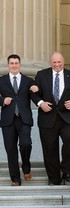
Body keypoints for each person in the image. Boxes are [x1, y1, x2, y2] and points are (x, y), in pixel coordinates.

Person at [34, 52, 70, 185]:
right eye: (54, 62)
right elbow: (33, 93)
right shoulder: (41, 75)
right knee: (49, 148)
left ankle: (67, 172)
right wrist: (41, 103)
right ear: (50, 62)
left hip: (67, 118)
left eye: (59, 62)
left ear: (63, 61)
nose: (57, 65)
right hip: (47, 117)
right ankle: (54, 178)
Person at [0, 54, 38, 186]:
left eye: (16, 63)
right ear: (8, 65)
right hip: (7, 120)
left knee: (25, 144)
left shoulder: (28, 81)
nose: (14, 65)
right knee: (11, 149)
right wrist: (2, 100)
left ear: (20, 65)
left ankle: (26, 166)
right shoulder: (2, 80)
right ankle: (15, 178)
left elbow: (36, 90)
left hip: (24, 119)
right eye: (12, 63)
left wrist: (36, 88)